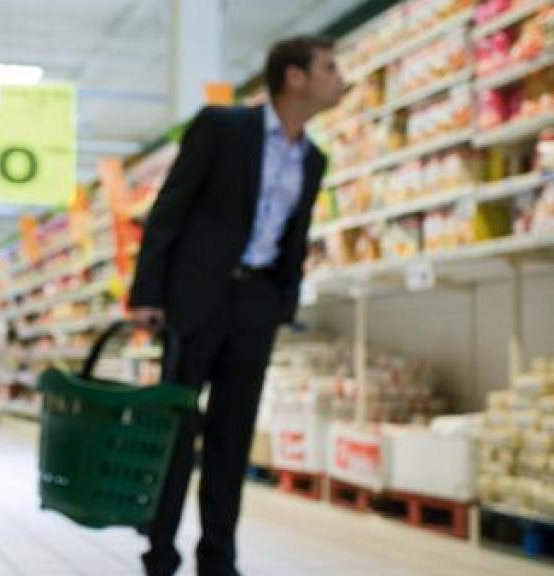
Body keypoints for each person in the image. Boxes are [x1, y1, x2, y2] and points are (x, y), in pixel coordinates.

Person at [127, 36, 345, 576]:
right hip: (196, 298)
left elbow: (295, 236)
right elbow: (170, 208)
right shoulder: (223, 127)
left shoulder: (313, 158)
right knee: (177, 429)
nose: (340, 79)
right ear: (294, 77)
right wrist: (148, 294)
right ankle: (160, 550)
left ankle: (218, 558)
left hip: (256, 303)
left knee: (233, 434)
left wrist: (282, 304)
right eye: (330, 67)